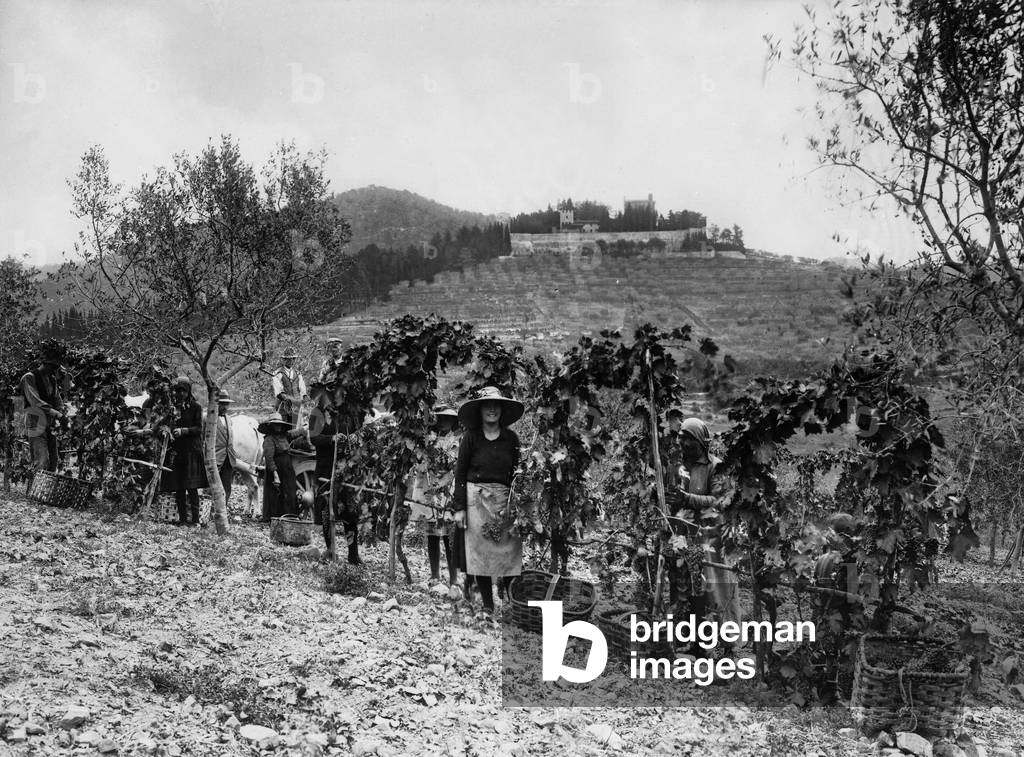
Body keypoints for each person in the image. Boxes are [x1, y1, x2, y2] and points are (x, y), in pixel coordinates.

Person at [453, 386, 524, 615]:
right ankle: (487, 605)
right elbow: (460, 473)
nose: (492, 410)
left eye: (496, 406)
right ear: (480, 410)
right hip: (476, 500)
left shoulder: (511, 439)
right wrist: (460, 508)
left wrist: (517, 504)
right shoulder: (471, 438)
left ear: (502, 410)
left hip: (505, 501)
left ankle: (511, 603)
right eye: (487, 405)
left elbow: (517, 474)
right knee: (481, 554)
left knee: (509, 552)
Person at [667, 417, 741, 626]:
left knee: (715, 589)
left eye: (686, 439)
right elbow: (675, 495)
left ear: (700, 441)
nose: (680, 443)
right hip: (684, 536)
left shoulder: (715, 467)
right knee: (686, 587)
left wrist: (687, 499)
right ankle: (691, 635)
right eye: (679, 438)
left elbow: (718, 500)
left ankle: (724, 636)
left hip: (709, 538)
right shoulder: (679, 467)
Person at [406, 405, 461, 585]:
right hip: (429, 486)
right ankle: (435, 575)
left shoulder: (457, 440)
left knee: (449, 535)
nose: (445, 422)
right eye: (441, 418)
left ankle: (453, 579)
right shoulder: (428, 440)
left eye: (448, 418)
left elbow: (457, 465)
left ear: (453, 421)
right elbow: (420, 460)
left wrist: (446, 477)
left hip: (449, 488)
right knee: (432, 533)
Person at [307, 382, 362, 564]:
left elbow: (358, 432)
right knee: (326, 510)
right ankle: (330, 550)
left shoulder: (348, 414)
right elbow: (314, 438)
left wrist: (355, 438)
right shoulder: (317, 413)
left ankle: (353, 553)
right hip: (325, 468)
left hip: (346, 469)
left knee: (350, 512)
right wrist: (331, 438)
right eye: (332, 394)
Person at [161, 377, 209, 526]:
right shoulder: (173, 408)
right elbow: (166, 425)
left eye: (183, 390)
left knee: (191, 487)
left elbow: (199, 429)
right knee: (179, 487)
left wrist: (184, 431)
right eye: (178, 390)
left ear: (188, 392)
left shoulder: (196, 407)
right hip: (176, 452)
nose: (180, 393)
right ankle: (182, 519)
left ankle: (195, 521)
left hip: (191, 451)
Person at [20, 349, 65, 472]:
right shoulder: (29, 378)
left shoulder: (52, 379)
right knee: (41, 460)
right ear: (44, 363)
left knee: (53, 461)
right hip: (35, 421)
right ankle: (33, 491)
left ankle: (46, 491)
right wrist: (57, 414)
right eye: (52, 366)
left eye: (56, 367)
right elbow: (35, 402)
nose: (54, 370)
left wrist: (62, 413)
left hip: (50, 423)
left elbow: (57, 399)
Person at [259, 412, 304, 521]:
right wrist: (275, 475)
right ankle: (273, 518)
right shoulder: (269, 439)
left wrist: (305, 429)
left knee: (289, 492)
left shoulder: (285, 435)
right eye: (275, 424)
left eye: (279, 424)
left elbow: (295, 433)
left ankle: (290, 516)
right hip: (275, 469)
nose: (278, 426)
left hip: (287, 468)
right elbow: (269, 459)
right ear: (271, 426)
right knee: (275, 494)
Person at [271, 349, 307, 428]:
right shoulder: (278, 373)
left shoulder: (298, 373)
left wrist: (303, 398)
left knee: (297, 426)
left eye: (292, 359)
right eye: (288, 359)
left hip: (296, 404)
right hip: (283, 404)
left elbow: (302, 388)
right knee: (283, 425)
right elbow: (278, 391)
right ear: (284, 360)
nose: (290, 361)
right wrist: (286, 398)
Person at [212, 389, 236, 503]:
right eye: (222, 404)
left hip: (229, 458)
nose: (225, 407)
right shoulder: (208, 419)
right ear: (216, 404)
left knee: (227, 486)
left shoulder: (229, 419)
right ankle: (211, 511)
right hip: (215, 457)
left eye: (227, 404)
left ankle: (223, 511)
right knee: (213, 486)